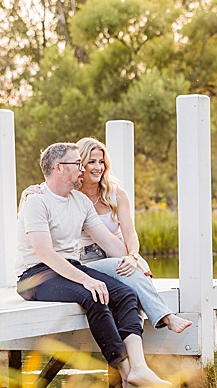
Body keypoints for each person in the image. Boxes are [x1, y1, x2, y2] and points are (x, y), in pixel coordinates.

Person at [15, 142, 174, 388]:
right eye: (77, 163)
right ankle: (125, 370)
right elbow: (44, 253)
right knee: (94, 294)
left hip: (68, 267)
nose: (82, 169)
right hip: (35, 276)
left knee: (124, 294)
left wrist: (134, 259)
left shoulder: (81, 202)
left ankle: (140, 368)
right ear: (58, 168)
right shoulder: (36, 201)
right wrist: (86, 280)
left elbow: (110, 243)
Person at [21, 137, 193, 334]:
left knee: (130, 274)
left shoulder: (115, 194)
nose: (97, 167)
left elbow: (127, 233)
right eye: (89, 162)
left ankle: (138, 336)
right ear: (80, 166)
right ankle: (157, 322)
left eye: (101, 162)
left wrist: (133, 258)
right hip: (86, 257)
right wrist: (26, 194)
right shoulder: (71, 194)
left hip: (117, 249)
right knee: (125, 278)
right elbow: (47, 196)